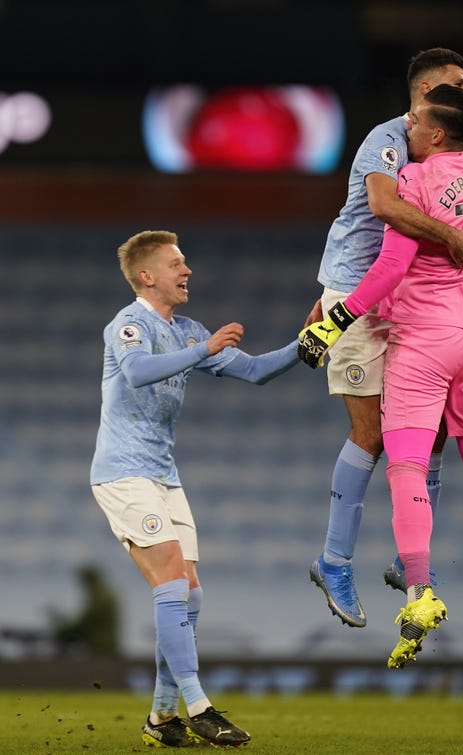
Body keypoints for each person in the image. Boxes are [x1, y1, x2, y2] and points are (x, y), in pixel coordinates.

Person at [298, 84, 463, 668]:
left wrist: (333, 319)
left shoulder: (415, 182)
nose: (406, 127)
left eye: (415, 119)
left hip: (422, 342)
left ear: (436, 131)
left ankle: (419, 591)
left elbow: (391, 265)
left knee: (406, 464)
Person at [90, 230, 320, 749]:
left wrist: (312, 339)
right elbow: (137, 372)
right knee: (171, 584)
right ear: (147, 276)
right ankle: (200, 708)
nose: (187, 270)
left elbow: (258, 371)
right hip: (123, 472)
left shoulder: (188, 330)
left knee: (190, 596)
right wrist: (202, 350)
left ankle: (161, 718)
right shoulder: (129, 324)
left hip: (163, 475)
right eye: (176, 263)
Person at [50, 564, 120, 657]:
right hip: (110, 642)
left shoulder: (98, 597)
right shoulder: (108, 593)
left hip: (99, 644)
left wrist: (63, 629)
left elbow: (86, 622)